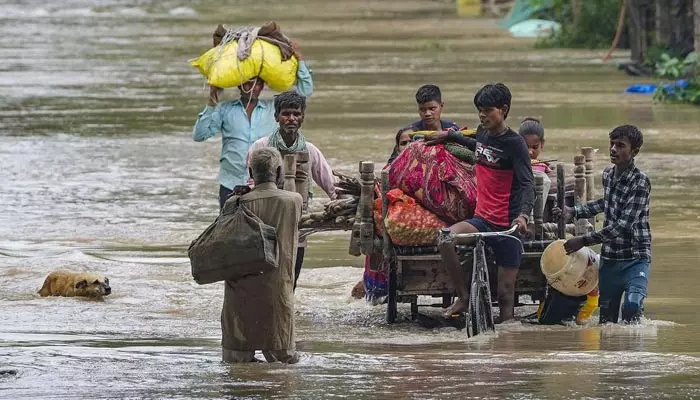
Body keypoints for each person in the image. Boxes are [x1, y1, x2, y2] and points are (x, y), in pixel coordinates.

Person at [425, 83, 534, 322]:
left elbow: (527, 183)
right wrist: (450, 136)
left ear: (503, 110)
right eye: (479, 111)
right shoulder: (483, 132)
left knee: (505, 294)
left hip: (508, 226)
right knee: (445, 237)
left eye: (487, 111)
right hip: (482, 220)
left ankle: (507, 346)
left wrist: (523, 216)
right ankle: (463, 297)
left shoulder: (515, 144)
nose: (482, 116)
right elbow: (480, 147)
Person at [192, 44, 313, 211]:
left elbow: (304, 93)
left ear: (262, 86)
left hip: (266, 183)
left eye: (257, 83)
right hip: (231, 182)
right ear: (239, 85)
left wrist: (300, 62)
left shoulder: (273, 109)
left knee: (266, 229)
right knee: (230, 229)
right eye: (248, 83)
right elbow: (199, 135)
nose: (253, 88)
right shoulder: (225, 109)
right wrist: (211, 103)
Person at [557, 125, 651, 324]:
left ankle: (636, 351)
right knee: (607, 321)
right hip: (610, 258)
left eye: (620, 145)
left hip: (635, 257)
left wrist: (583, 240)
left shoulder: (640, 182)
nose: (613, 149)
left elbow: (623, 225)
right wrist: (573, 212)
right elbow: (605, 203)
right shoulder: (608, 174)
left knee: (632, 306)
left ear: (634, 151)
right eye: (612, 144)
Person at [246, 90, 336, 290]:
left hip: (298, 225)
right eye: (286, 114)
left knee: (290, 282)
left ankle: (285, 317)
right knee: (264, 281)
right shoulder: (260, 148)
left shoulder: (310, 151)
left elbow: (331, 185)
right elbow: (252, 186)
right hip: (265, 225)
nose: (291, 119)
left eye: (296, 114)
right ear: (276, 116)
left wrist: (342, 206)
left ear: (302, 116)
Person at [221, 147, 302, 363]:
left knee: (235, 364)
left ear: (250, 172)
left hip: (240, 292)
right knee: (284, 364)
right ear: (277, 172)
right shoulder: (293, 201)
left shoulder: (235, 203)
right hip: (277, 290)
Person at [519, 117, 551, 214]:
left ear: (542, 144)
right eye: (525, 146)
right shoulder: (515, 161)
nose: (530, 152)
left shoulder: (542, 165)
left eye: (535, 147)